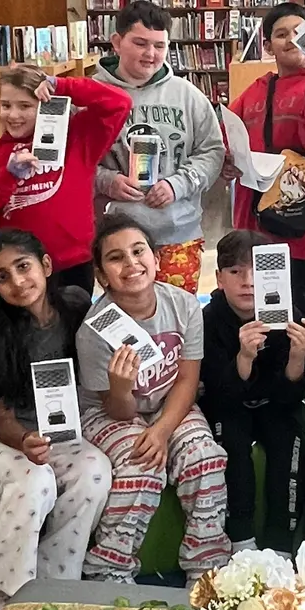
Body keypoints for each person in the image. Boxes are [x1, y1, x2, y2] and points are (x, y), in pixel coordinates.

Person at [0, 230, 113, 610]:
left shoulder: (76, 304)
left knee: (94, 471)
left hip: (53, 430)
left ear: (45, 266)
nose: (17, 281)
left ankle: (55, 582)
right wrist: (24, 441)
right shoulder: (1, 333)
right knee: (34, 480)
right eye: (2, 277)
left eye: (23, 267)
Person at [76, 214, 230, 582]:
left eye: (138, 251)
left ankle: (207, 565)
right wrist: (120, 388)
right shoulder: (92, 332)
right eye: (116, 258)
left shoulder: (184, 305)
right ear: (101, 275)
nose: (130, 263)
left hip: (169, 402)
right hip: (110, 411)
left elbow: (187, 379)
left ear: (156, 259)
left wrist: (162, 430)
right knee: (142, 463)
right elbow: (116, 408)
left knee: (204, 457)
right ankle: (110, 568)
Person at [227, 2, 305, 380]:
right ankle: (266, 375)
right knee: (261, 298)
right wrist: (229, 159)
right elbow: (231, 135)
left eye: (299, 31)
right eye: (281, 33)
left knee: (303, 301)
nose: (290, 39)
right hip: (255, 211)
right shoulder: (255, 90)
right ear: (268, 44)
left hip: (301, 214)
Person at [0, 66, 131, 297]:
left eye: (25, 106)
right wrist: (7, 176)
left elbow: (119, 102)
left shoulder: (78, 138)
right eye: (6, 105)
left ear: (47, 105)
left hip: (73, 263)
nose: (13, 115)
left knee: (73, 327)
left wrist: (60, 86)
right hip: (20, 268)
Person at [92, 0, 227, 292]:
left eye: (159, 45)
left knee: (178, 319)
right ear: (117, 42)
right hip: (116, 237)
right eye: (140, 43)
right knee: (126, 324)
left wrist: (178, 184)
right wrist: (106, 181)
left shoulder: (188, 95)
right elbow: (71, 162)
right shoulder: (90, 96)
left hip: (178, 233)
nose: (151, 54)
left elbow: (212, 151)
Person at [200, 229, 305, 554]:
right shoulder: (208, 320)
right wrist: (244, 357)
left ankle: (281, 543)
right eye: (236, 272)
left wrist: (298, 356)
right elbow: (218, 395)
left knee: (290, 442)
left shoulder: (288, 315)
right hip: (230, 405)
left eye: (257, 271)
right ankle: (240, 539)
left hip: (278, 403)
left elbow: (291, 396)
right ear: (219, 278)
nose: (248, 281)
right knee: (230, 444)